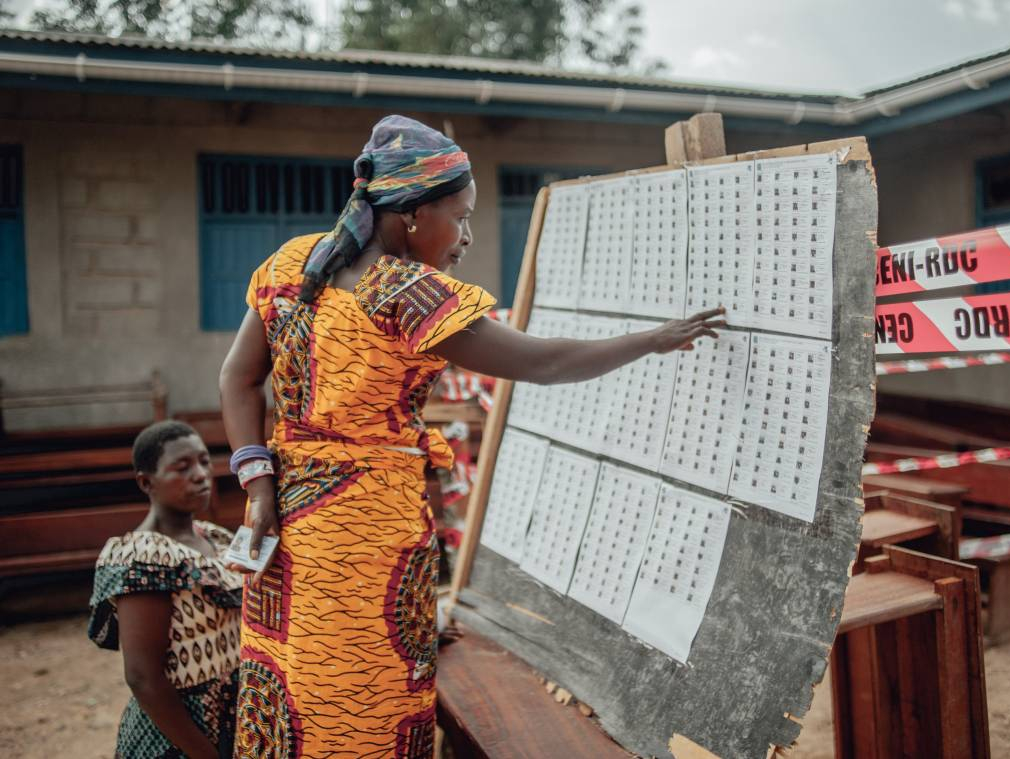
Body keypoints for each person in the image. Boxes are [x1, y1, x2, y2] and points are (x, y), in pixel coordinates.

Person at [219, 114, 725, 758]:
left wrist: (259, 483)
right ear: (411, 214)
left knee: (291, 694)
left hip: (285, 531)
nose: (465, 236)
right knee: (359, 710)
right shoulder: (403, 292)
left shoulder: (292, 264)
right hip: (363, 544)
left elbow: (236, 379)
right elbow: (542, 362)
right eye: (459, 217)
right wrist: (653, 339)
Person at [89, 420, 242, 759]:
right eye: (182, 467)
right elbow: (143, 677)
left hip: (234, 721)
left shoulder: (216, 539)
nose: (201, 474)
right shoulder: (144, 556)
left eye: (204, 461)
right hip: (179, 736)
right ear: (147, 482)